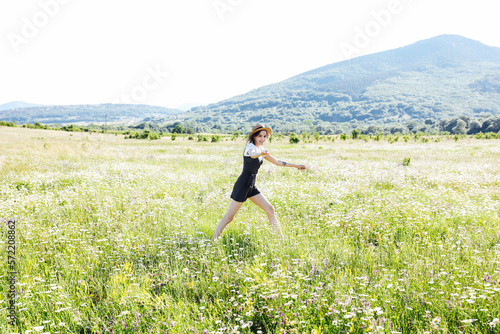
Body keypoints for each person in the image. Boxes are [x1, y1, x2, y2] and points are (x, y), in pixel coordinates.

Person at [211, 125, 307, 242]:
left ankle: (281, 241)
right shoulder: (250, 147)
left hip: (251, 185)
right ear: (254, 136)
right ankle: (212, 242)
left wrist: (296, 165)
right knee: (229, 218)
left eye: (264, 136)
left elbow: (277, 162)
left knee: (270, 210)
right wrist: (261, 153)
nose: (262, 139)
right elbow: (252, 154)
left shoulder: (261, 149)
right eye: (260, 136)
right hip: (243, 185)